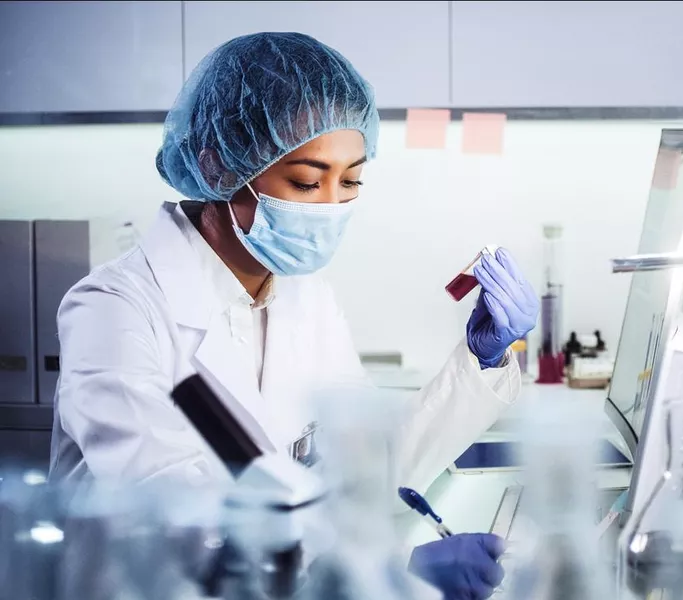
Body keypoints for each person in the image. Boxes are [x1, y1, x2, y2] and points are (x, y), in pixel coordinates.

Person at [48, 32, 539, 599]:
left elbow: (366, 473)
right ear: (217, 166)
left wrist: (483, 358)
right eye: (307, 182)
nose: (332, 206)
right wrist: (390, 565)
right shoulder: (114, 309)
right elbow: (177, 512)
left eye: (351, 180)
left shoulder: (307, 300)